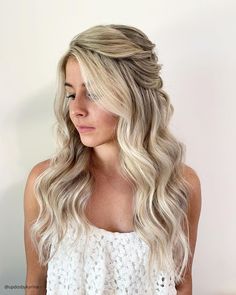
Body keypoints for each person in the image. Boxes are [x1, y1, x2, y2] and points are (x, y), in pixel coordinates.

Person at [24, 24, 202, 295]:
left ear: (133, 96)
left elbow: (182, 282)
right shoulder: (47, 184)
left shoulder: (178, 186)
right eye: (72, 93)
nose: (76, 109)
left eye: (93, 93)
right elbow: (36, 282)